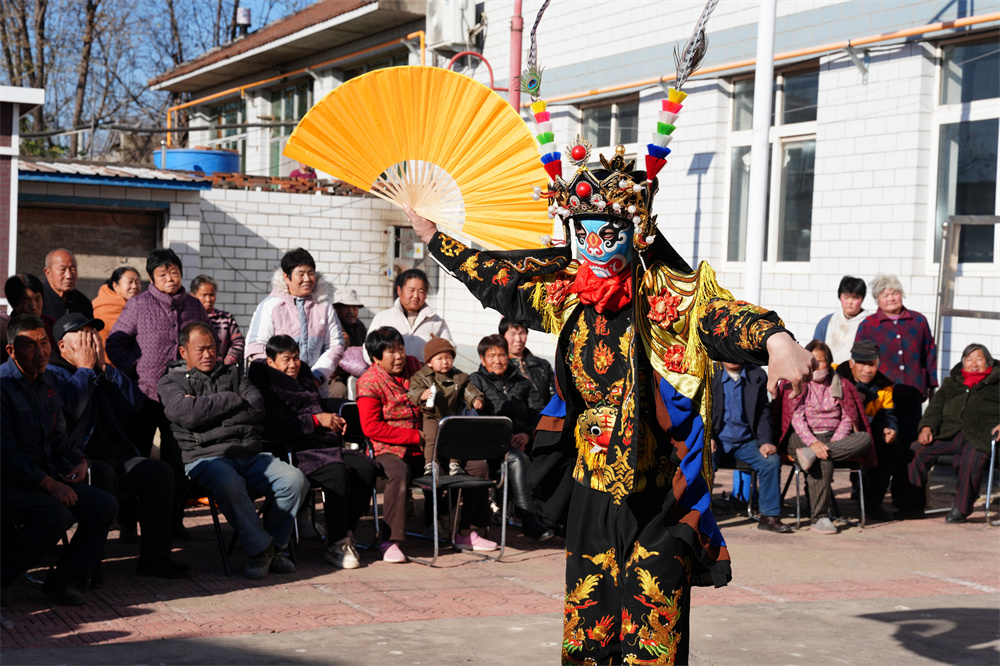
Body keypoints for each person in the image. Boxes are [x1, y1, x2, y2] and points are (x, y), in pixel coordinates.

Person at [408, 139, 814, 662]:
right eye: (584, 233)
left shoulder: (668, 299)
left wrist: (775, 339)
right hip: (592, 486)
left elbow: (722, 315)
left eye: (608, 232)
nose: (595, 246)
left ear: (636, 231)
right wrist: (435, 239)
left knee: (653, 628)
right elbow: (497, 279)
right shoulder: (567, 296)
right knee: (589, 625)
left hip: (658, 492)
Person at [158, 323, 309, 579]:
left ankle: (273, 545)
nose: (208, 354)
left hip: (249, 453)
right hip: (205, 458)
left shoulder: (234, 373)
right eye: (200, 349)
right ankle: (261, 550)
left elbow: (257, 408)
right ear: (184, 352)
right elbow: (187, 415)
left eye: (212, 348)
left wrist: (205, 411)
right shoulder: (170, 381)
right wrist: (230, 399)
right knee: (228, 483)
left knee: (295, 480)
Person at [47, 313, 190, 579]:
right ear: (63, 346)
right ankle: (90, 565)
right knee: (103, 475)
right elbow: (68, 411)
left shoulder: (99, 370)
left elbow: (131, 406)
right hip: (73, 462)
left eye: (93, 334)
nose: (91, 341)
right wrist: (84, 370)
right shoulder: (52, 373)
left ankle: (155, 557)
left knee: (159, 472)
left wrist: (104, 368)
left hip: (112, 456)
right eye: (82, 335)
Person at [1, 314, 118, 606]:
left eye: (44, 343)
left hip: (46, 477)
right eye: (30, 346)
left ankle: (66, 579)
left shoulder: (49, 380)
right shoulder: (3, 387)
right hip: (12, 482)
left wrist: (81, 460)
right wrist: (49, 485)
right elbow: (7, 455)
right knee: (56, 515)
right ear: (11, 350)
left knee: (104, 504)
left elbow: (58, 437)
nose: (40, 352)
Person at [357, 327, 497, 563]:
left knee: (478, 467)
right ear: (376, 358)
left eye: (400, 349)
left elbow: (449, 376)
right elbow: (371, 427)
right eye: (391, 352)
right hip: (391, 449)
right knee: (399, 472)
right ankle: (390, 541)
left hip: (433, 444)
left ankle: (467, 532)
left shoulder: (415, 366)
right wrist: (414, 437)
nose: (399, 356)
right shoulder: (369, 382)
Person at [248, 334, 377, 569]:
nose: (293, 365)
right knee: (337, 472)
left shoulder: (305, 377)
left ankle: (345, 533)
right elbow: (276, 425)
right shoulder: (264, 384)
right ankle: (336, 544)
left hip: (323, 445)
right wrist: (316, 421)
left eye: (296, 358)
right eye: (286, 359)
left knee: (366, 467)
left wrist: (333, 421)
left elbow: (317, 408)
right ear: (271, 362)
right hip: (292, 449)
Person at [106, 249, 209, 537]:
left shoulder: (194, 307)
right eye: (162, 274)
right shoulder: (139, 305)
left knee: (178, 460)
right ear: (152, 278)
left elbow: (207, 341)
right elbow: (114, 343)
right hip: (144, 395)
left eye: (174, 272)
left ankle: (174, 522)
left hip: (183, 397)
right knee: (135, 458)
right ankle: (128, 523)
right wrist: (135, 368)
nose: (170, 278)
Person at [854, 274, 937, 504]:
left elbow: (929, 354)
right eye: (885, 294)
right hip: (880, 398)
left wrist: (931, 384)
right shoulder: (868, 325)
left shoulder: (918, 321)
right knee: (882, 445)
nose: (891, 298)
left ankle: (905, 499)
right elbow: (860, 360)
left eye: (895, 293)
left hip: (911, 395)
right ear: (877, 299)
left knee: (909, 447)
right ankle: (872, 500)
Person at [777, 341, 874, 534]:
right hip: (802, 436)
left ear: (829, 362)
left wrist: (833, 443)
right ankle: (820, 517)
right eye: (811, 361)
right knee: (823, 460)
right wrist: (813, 443)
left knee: (864, 438)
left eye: (820, 361)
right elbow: (796, 417)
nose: (816, 366)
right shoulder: (796, 382)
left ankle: (813, 454)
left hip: (834, 436)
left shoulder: (842, 384)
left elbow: (848, 417)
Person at [899, 344, 999, 523]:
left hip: (981, 435)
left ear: (988, 362)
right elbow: (935, 408)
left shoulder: (996, 382)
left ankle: (961, 509)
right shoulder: (952, 382)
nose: (973, 363)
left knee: (970, 460)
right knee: (916, 451)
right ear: (963, 362)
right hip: (949, 433)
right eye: (969, 359)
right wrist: (927, 427)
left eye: (979, 359)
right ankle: (912, 506)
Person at [469, 333, 554, 542]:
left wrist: (527, 435)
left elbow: (538, 414)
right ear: (482, 360)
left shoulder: (523, 383)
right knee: (517, 459)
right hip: (490, 447)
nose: (497, 360)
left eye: (501, 355)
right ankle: (528, 519)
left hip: (522, 442)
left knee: (552, 455)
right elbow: (476, 419)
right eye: (491, 356)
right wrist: (504, 439)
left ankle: (553, 516)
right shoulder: (475, 382)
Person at [246, 248, 344, 396]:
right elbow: (257, 347)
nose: (307, 279)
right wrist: (279, 378)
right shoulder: (270, 306)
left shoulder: (324, 307)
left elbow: (335, 345)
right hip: (277, 391)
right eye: (301, 274)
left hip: (315, 390)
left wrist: (315, 377)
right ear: (286, 277)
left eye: (310, 273)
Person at [710, 361, 792, 533]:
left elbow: (763, 412)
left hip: (746, 442)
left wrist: (765, 441)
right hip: (717, 440)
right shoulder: (709, 373)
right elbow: (699, 409)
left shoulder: (757, 375)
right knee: (702, 460)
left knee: (771, 461)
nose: (732, 357)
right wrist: (707, 437)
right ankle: (700, 515)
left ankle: (769, 516)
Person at [834, 340, 898, 521]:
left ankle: (874, 501)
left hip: (866, 432)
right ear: (852, 363)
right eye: (862, 364)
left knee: (892, 445)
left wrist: (889, 429)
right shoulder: (834, 375)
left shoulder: (884, 386)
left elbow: (887, 416)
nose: (867, 370)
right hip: (833, 430)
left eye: (872, 364)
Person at [407, 336, 485, 475]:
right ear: (429, 362)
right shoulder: (421, 376)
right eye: (440, 358)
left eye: (448, 357)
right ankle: (431, 464)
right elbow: (412, 391)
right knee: (431, 438)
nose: (445, 362)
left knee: (455, 437)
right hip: (431, 415)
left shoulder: (459, 376)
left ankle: (455, 463)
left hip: (452, 415)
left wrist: (475, 398)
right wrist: (422, 395)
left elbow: (468, 389)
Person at [368, 268, 451, 361]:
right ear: (399, 291)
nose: (416, 296)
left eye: (421, 291)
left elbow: (449, 351)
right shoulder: (383, 318)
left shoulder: (436, 322)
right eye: (411, 290)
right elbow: (369, 351)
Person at [500, 317, 555, 411]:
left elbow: (554, 395)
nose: (518, 339)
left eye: (522, 333)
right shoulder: (497, 367)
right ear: (502, 336)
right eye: (513, 334)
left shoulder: (543, 365)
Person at [191, 274, 244, 367]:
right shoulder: (189, 318)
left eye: (211, 295)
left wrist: (226, 363)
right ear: (193, 296)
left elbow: (238, 342)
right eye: (204, 295)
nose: (208, 299)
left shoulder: (226, 318)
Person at [813, 276, 867, 365]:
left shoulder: (869, 323)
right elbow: (815, 352)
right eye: (846, 297)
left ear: (862, 299)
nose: (850, 302)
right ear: (839, 297)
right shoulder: (827, 322)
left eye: (855, 297)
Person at [3, 274, 57, 359]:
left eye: (37, 299)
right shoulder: (6, 331)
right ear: (14, 304)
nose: (34, 306)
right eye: (27, 301)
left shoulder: (53, 325)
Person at [330, 288, 368, 399]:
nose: (352, 311)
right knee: (339, 390)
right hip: (333, 376)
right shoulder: (330, 326)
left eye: (355, 307)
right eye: (346, 307)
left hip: (356, 373)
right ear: (336, 309)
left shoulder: (359, 327)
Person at [92, 266, 142, 345]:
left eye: (137, 282)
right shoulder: (106, 307)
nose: (134, 286)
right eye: (130, 282)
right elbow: (133, 332)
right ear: (115, 285)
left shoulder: (134, 304)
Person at [41, 248, 93, 320]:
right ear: (48, 272)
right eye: (62, 269)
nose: (69, 276)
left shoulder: (83, 302)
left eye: (73, 269)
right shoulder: (38, 300)